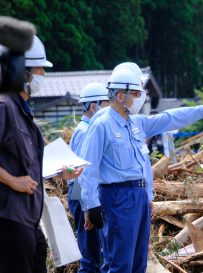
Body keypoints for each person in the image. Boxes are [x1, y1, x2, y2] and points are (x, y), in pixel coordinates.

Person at [79, 63, 203, 273]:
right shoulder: (101, 124)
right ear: (121, 95)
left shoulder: (135, 123)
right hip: (116, 198)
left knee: (138, 262)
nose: (140, 97)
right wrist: (90, 204)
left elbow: (170, 118)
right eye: (136, 93)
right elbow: (88, 166)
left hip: (138, 197)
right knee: (119, 263)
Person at [0, 35, 82, 273]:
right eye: (38, 69)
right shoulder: (5, 107)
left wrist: (62, 171)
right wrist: (14, 181)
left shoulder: (23, 112)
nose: (43, 76)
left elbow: (34, 158)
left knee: (38, 255)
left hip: (28, 220)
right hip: (9, 220)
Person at [68, 82, 110, 273]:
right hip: (81, 194)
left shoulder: (86, 130)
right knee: (90, 256)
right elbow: (83, 173)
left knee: (95, 252)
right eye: (106, 104)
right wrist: (88, 206)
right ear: (94, 106)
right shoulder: (85, 132)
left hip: (83, 193)